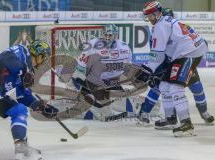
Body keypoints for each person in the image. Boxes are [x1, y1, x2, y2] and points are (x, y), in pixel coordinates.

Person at [0, 40, 58, 160]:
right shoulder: (22, 51)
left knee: (19, 110)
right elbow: (7, 59)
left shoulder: (28, 71)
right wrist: (24, 71)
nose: (44, 62)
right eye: (43, 58)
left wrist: (39, 106)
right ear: (38, 55)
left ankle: (21, 146)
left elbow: (22, 95)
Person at [141, 1, 209, 137]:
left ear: (156, 13)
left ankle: (186, 124)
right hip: (188, 51)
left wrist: (148, 71)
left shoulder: (160, 26)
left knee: (175, 87)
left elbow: (158, 55)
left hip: (190, 53)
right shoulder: (167, 21)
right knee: (165, 85)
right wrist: (152, 71)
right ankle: (171, 118)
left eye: (149, 16)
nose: (148, 19)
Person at [75, 24, 135, 121]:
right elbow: (80, 67)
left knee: (127, 109)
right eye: (105, 35)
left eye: (110, 35)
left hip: (112, 81)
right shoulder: (92, 45)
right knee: (87, 112)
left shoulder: (124, 47)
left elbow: (129, 67)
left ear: (116, 36)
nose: (107, 38)